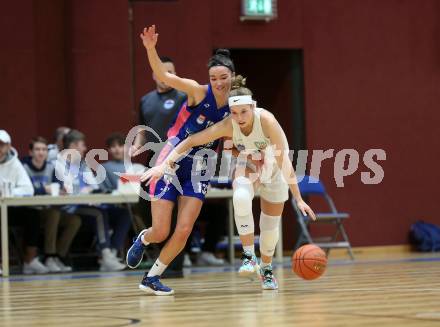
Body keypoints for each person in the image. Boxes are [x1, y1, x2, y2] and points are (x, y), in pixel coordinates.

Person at [142, 76, 316, 290]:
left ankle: (267, 269)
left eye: (244, 112)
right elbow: (190, 141)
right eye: (234, 113)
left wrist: (298, 198)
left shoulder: (267, 121)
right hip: (248, 164)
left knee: (270, 225)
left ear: (252, 107)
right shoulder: (228, 124)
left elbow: (285, 161)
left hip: (274, 167)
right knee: (241, 197)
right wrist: (163, 165)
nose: (239, 117)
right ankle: (249, 255)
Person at [126, 24, 235, 295]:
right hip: (172, 157)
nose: (218, 83)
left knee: (184, 229)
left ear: (233, 76)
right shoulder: (197, 92)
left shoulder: (237, 105)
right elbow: (163, 74)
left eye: (223, 77)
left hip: (202, 167)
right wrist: (151, 49)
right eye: (213, 78)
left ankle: (151, 278)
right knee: (161, 231)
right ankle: (144, 237)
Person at [57, 129, 128, 271]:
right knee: (98, 214)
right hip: (71, 207)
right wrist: (82, 191)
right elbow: (66, 190)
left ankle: (112, 251)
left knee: (124, 213)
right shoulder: (60, 164)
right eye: (82, 145)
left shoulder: (83, 164)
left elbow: (94, 185)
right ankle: (105, 254)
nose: (84, 148)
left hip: (89, 204)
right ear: (73, 146)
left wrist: (91, 190)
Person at [22, 136, 81, 272]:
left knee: (74, 221)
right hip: (29, 210)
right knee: (53, 214)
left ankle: (57, 256)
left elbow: (58, 186)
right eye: (37, 149)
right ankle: (49, 256)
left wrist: (62, 190)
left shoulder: (51, 167)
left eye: (43, 149)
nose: (41, 152)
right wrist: (43, 189)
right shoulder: (24, 166)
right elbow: (24, 189)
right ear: (31, 152)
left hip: (47, 208)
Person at [0, 130, 48, 274]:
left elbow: (28, 189)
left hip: (10, 207)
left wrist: (9, 193)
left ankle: (30, 260)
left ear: (9, 146)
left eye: (2, 145)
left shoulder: (15, 164)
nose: (0, 149)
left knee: (32, 214)